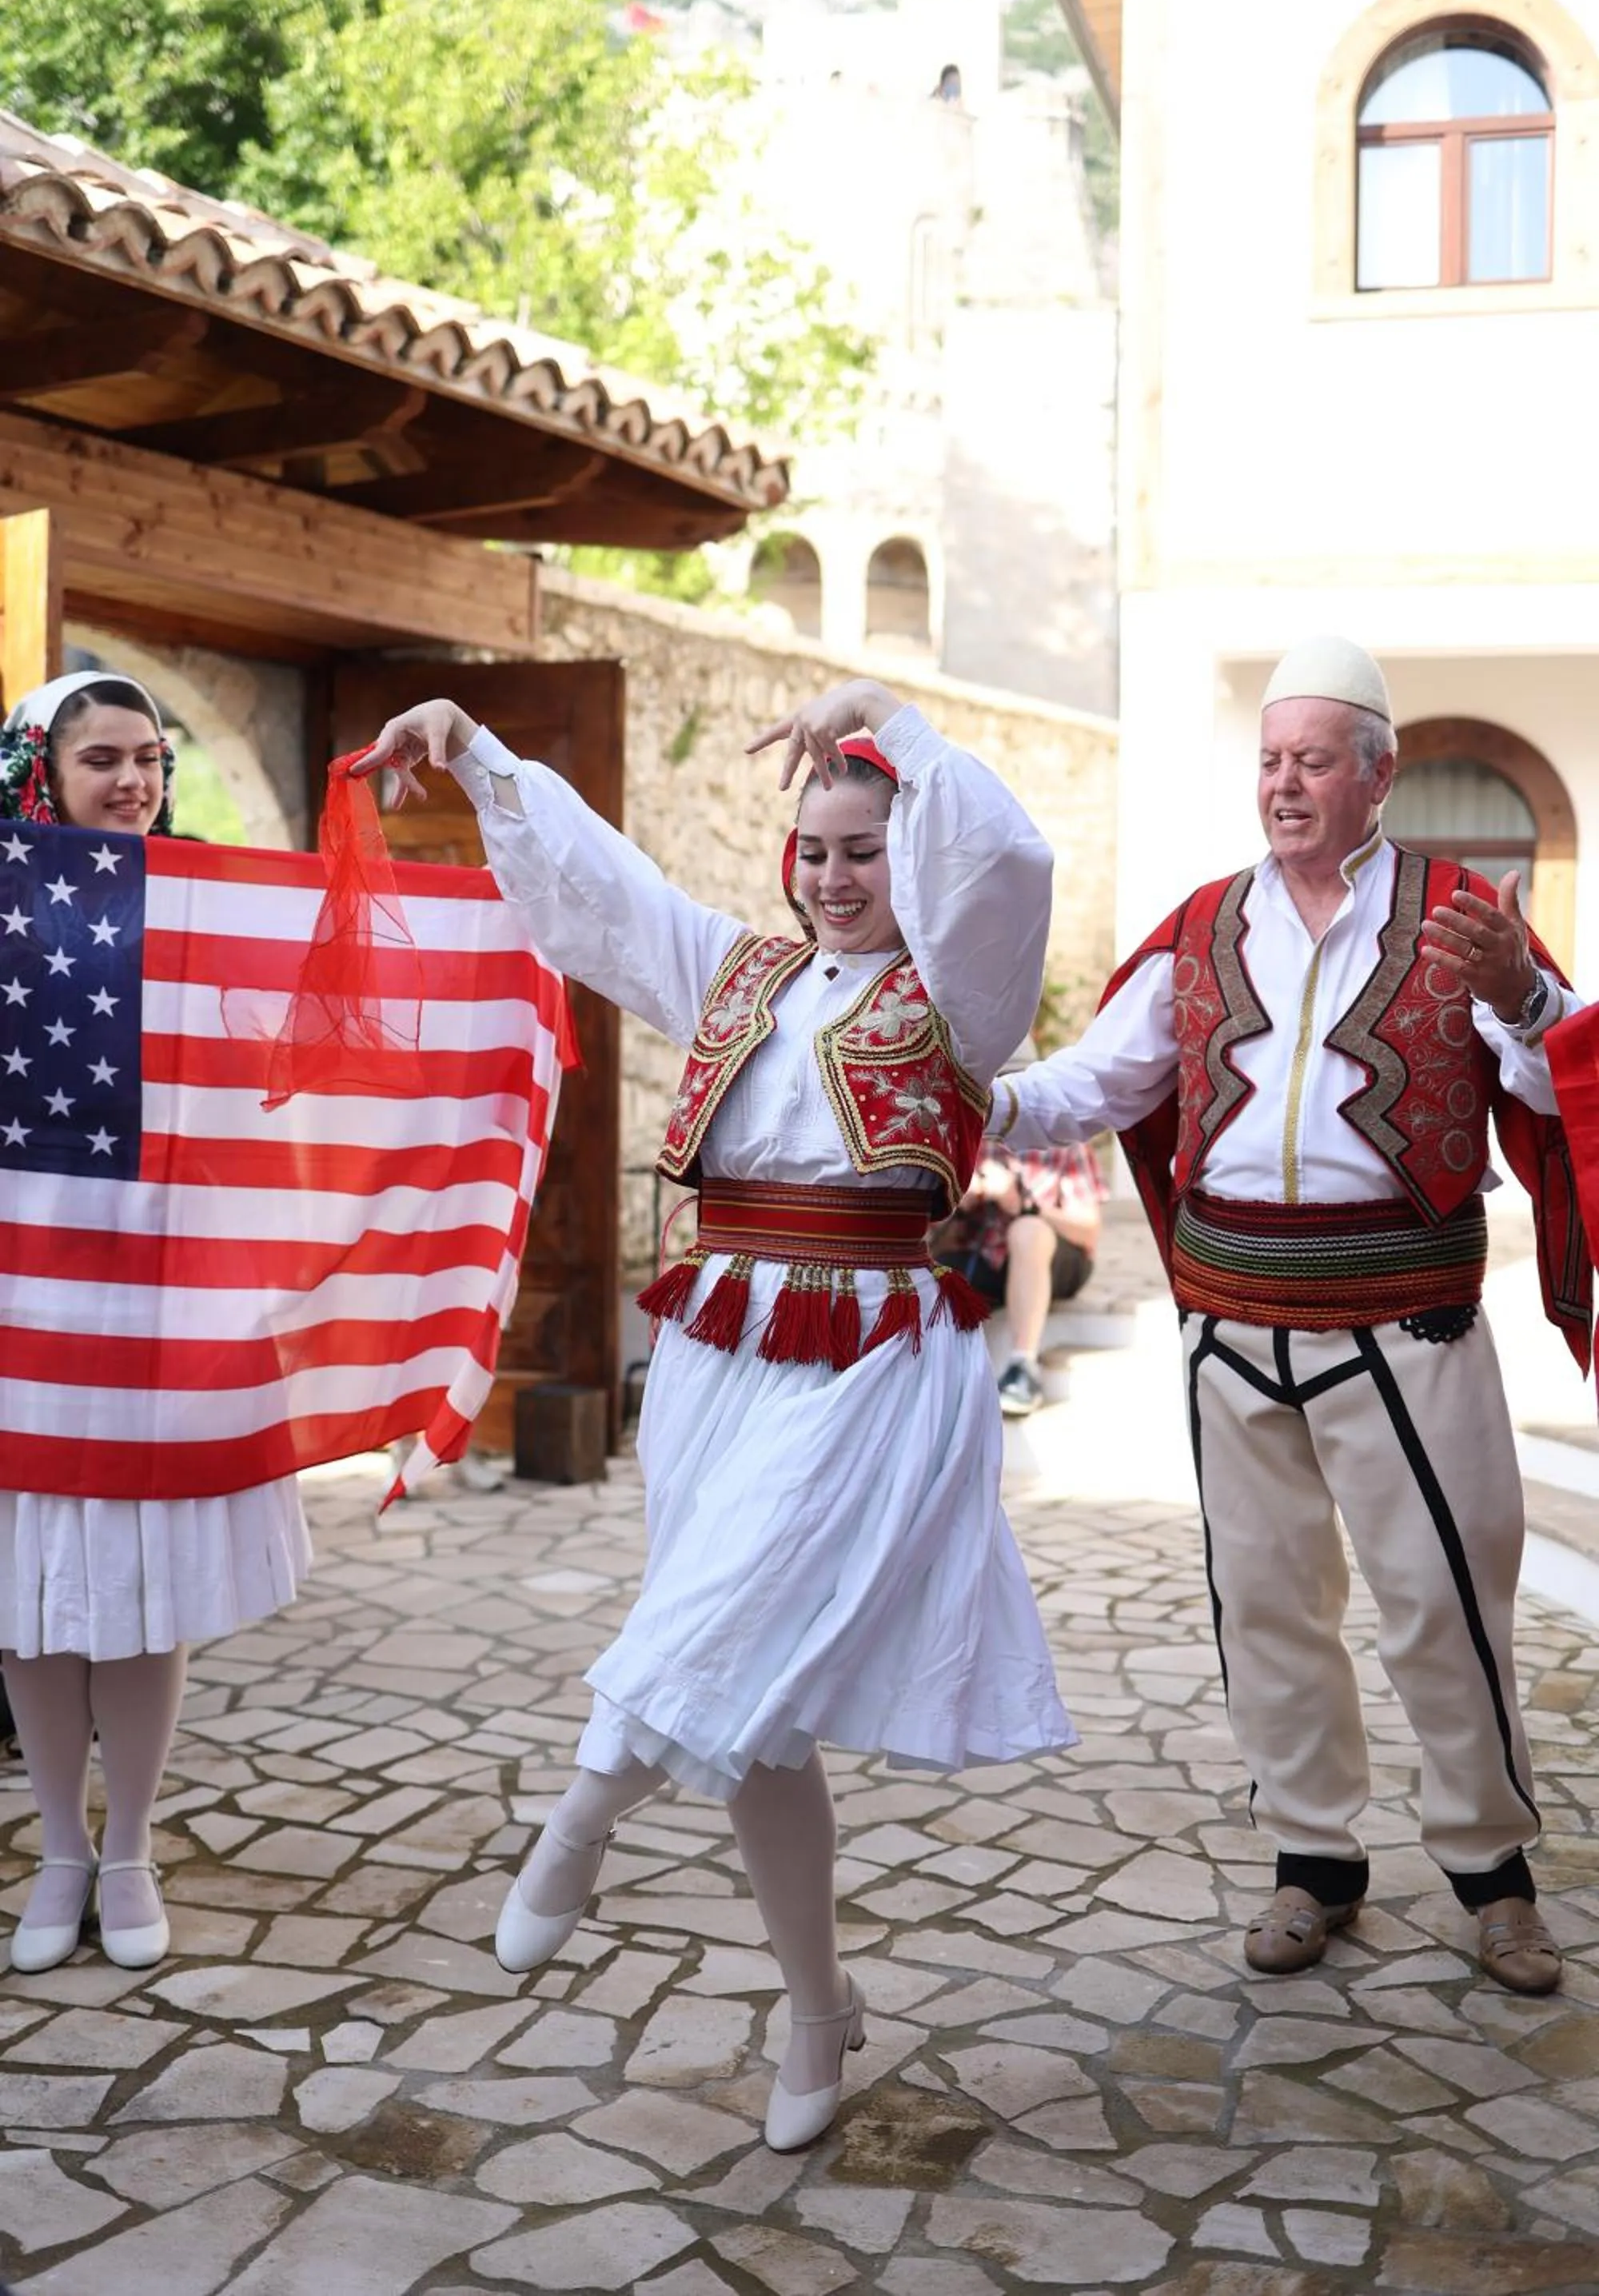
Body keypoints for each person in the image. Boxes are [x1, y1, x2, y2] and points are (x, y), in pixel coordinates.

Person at [354, 678, 1075, 2148]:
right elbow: (604, 895)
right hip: (721, 1351)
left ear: (910, 857)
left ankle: (577, 1823)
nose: (831, 876)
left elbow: (1005, 868)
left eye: (864, 851)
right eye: (813, 849)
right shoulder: (740, 974)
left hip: (871, 1354)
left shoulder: (962, 991)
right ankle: (820, 2012)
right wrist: (479, 753)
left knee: (724, 1614)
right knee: (752, 1712)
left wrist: (903, 734)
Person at [992, 634, 1589, 1996]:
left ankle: (1494, 1879)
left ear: (1379, 774)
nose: (1285, 783)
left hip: (1412, 1320)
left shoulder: (1462, 918)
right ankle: (1313, 1861)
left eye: (1314, 759)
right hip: (1232, 1321)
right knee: (1265, 1601)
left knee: (1446, 1599)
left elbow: (1560, 1097)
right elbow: (1098, 1086)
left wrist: (1521, 994)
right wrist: (980, 1095)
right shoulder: (1202, 927)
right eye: (1271, 760)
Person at [0, 673, 313, 1973]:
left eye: (149, 759)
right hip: (27, 1292)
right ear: (42, 778)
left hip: (173, 1292)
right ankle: (57, 1850)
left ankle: (127, 1845)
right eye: (103, 762)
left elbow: (283, 1049)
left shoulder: (211, 903)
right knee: (31, 1591)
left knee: (141, 1584)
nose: (134, 782)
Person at [934, 1124, 1103, 1416]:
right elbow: (930, 1230)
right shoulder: (971, 1141)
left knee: (1028, 1230)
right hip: (985, 1257)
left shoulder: (1067, 1142)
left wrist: (1024, 1205)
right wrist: (960, 1199)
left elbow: (1087, 1230)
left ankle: (1022, 1366)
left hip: (1051, 1259)